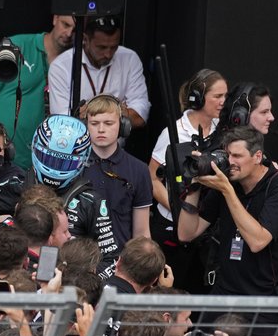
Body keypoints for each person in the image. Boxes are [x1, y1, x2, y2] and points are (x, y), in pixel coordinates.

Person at [177, 126, 278, 336]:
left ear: (257, 156)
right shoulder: (229, 184)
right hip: (226, 291)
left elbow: (258, 240)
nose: (230, 162)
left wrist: (226, 191)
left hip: (265, 300)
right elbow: (186, 233)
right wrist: (194, 186)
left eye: (237, 156)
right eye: (227, 154)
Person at [148, 68, 227, 292]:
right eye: (217, 96)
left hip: (205, 231)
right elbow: (152, 178)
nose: (223, 102)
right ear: (199, 98)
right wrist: (177, 208)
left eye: (225, 96)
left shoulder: (222, 133)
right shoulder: (172, 133)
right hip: (171, 228)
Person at [0, 15, 75, 169]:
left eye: (75, 29)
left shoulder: (78, 61)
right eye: (65, 24)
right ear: (55, 18)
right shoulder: (19, 45)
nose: (69, 33)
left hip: (41, 162)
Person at [28, 114, 119, 264]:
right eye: (50, 159)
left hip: (71, 282)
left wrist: (80, 281)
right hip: (23, 281)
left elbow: (110, 260)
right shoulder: (17, 184)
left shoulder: (91, 202)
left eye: (64, 164)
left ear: (83, 160)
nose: (54, 170)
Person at [48, 15, 150, 129]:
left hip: (116, 146)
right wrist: (118, 111)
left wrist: (85, 113)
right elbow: (63, 122)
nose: (108, 54)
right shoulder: (61, 66)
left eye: (114, 47)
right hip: (76, 146)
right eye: (101, 47)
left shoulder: (129, 58)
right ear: (85, 39)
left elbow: (141, 115)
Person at [81, 94, 153, 247]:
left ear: (123, 126)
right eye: (94, 123)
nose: (101, 129)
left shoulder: (139, 170)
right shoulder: (72, 166)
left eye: (108, 123)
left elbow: (141, 233)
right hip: (78, 263)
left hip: (120, 264)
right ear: (85, 125)